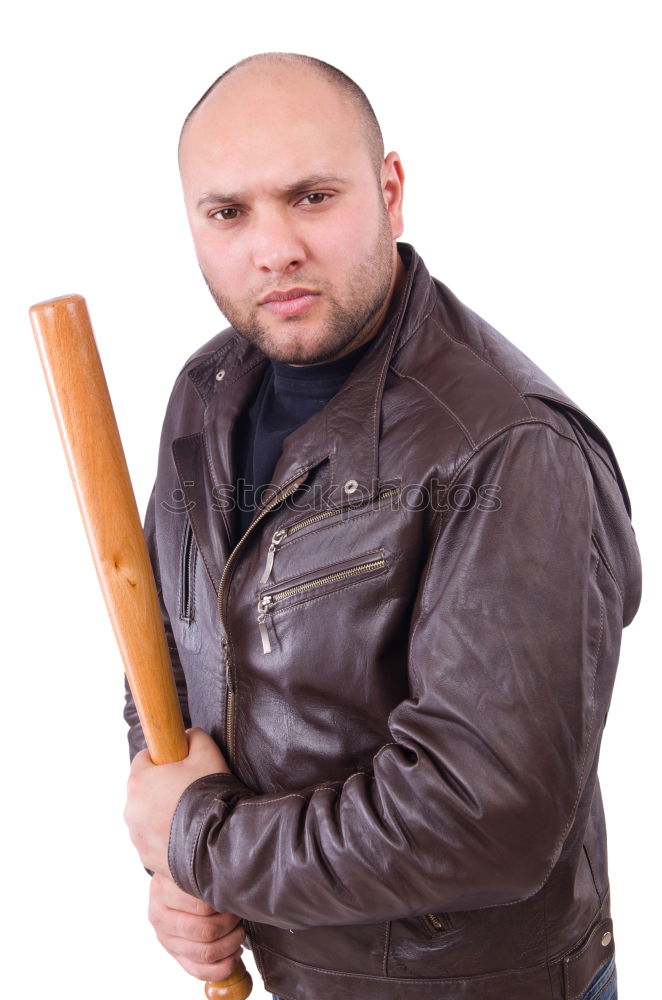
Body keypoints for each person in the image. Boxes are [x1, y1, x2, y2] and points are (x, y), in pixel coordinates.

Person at [123, 52, 640, 1000]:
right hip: (294, 973)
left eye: (312, 197)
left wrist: (199, 840)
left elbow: (482, 818)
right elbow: (166, 660)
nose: (271, 248)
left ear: (391, 192)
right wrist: (178, 876)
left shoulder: (505, 447)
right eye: (227, 212)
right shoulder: (207, 393)